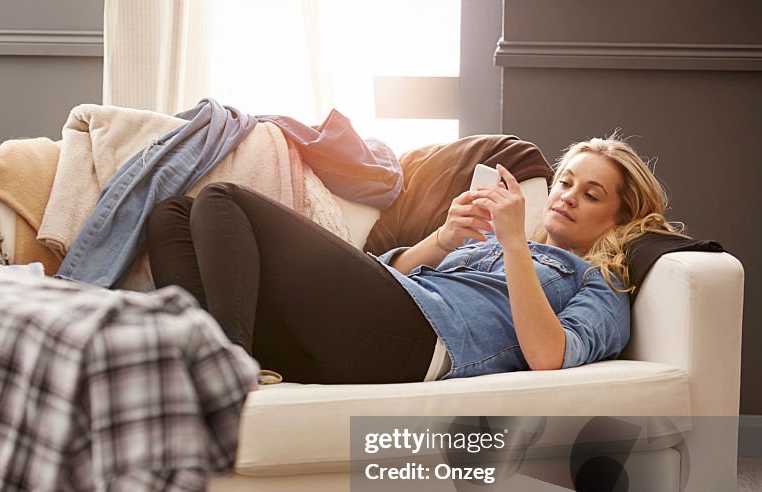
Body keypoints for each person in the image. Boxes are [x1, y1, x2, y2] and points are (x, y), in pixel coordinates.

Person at [145, 135, 683, 384]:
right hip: (356, 333)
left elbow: (549, 356)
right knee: (172, 213)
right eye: (566, 181)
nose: (566, 195)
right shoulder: (497, 242)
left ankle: (218, 369)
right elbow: (391, 275)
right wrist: (446, 238)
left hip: (415, 342)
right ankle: (210, 357)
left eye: (591, 194)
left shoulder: (603, 284)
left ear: (618, 216)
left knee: (223, 199)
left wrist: (516, 244)